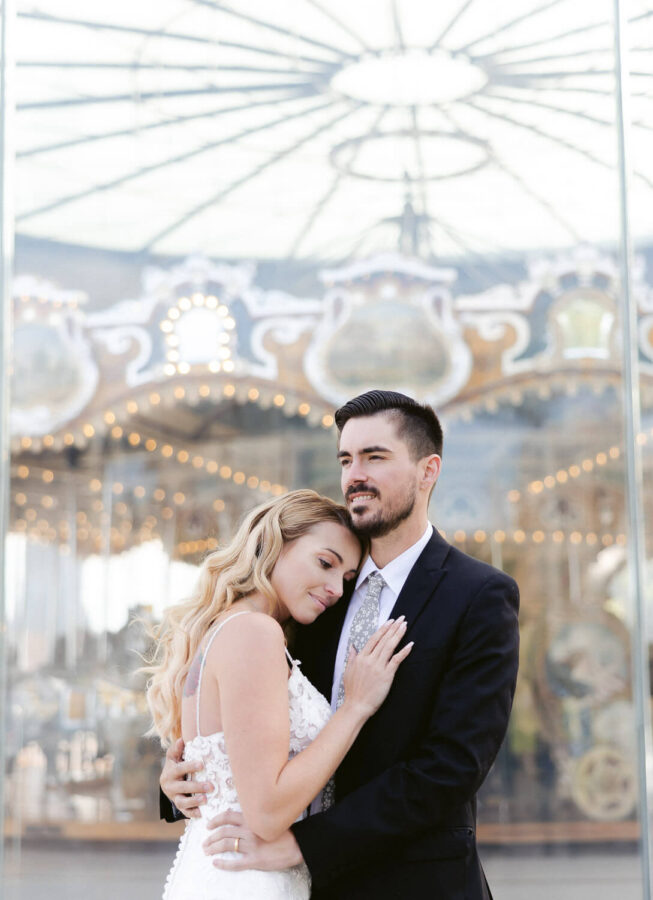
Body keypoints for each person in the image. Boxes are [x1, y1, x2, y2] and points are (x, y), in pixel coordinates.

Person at [160, 389, 520, 899]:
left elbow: (453, 768)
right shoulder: (315, 592)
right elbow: (253, 720)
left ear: (427, 471)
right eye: (347, 459)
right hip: (293, 880)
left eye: (375, 456)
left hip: (413, 882)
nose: (355, 474)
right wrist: (183, 780)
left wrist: (306, 846)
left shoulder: (479, 594)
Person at [146, 488, 413, 900]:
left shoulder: (232, 629)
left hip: (226, 869)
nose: (337, 590)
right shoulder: (255, 632)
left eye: (346, 578)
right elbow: (267, 812)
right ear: (275, 545)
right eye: (325, 563)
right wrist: (356, 707)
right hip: (248, 877)